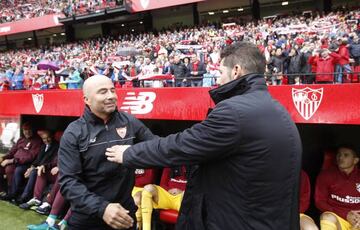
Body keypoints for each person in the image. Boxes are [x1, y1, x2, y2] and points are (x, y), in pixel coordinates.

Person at [105, 42, 302, 229]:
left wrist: (129, 153)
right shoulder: (278, 109)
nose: (218, 79)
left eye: (221, 72)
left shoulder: (234, 112)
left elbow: (182, 146)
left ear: (236, 71)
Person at [58, 74, 156, 230]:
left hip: (125, 216)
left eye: (112, 90)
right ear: (86, 100)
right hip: (88, 220)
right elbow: (68, 183)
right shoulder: (74, 133)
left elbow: (156, 146)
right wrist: (102, 208)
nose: (111, 96)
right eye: (103, 92)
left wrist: (133, 151)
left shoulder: (129, 122)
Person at [315, 145, 360, 230]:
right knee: (327, 216)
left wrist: (357, 218)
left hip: (357, 219)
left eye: (346, 155)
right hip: (338, 217)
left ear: (355, 160)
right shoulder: (326, 175)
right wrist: (345, 214)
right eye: (339, 154)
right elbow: (319, 201)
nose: (340, 157)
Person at [0, 122, 42, 201]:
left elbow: (30, 157)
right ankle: (3, 190)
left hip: (26, 164)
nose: (27, 132)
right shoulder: (21, 139)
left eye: (29, 130)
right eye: (25, 130)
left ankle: (12, 193)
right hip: (15, 162)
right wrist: (3, 158)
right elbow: (12, 151)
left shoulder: (37, 141)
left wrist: (12, 160)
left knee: (12, 169)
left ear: (33, 130)